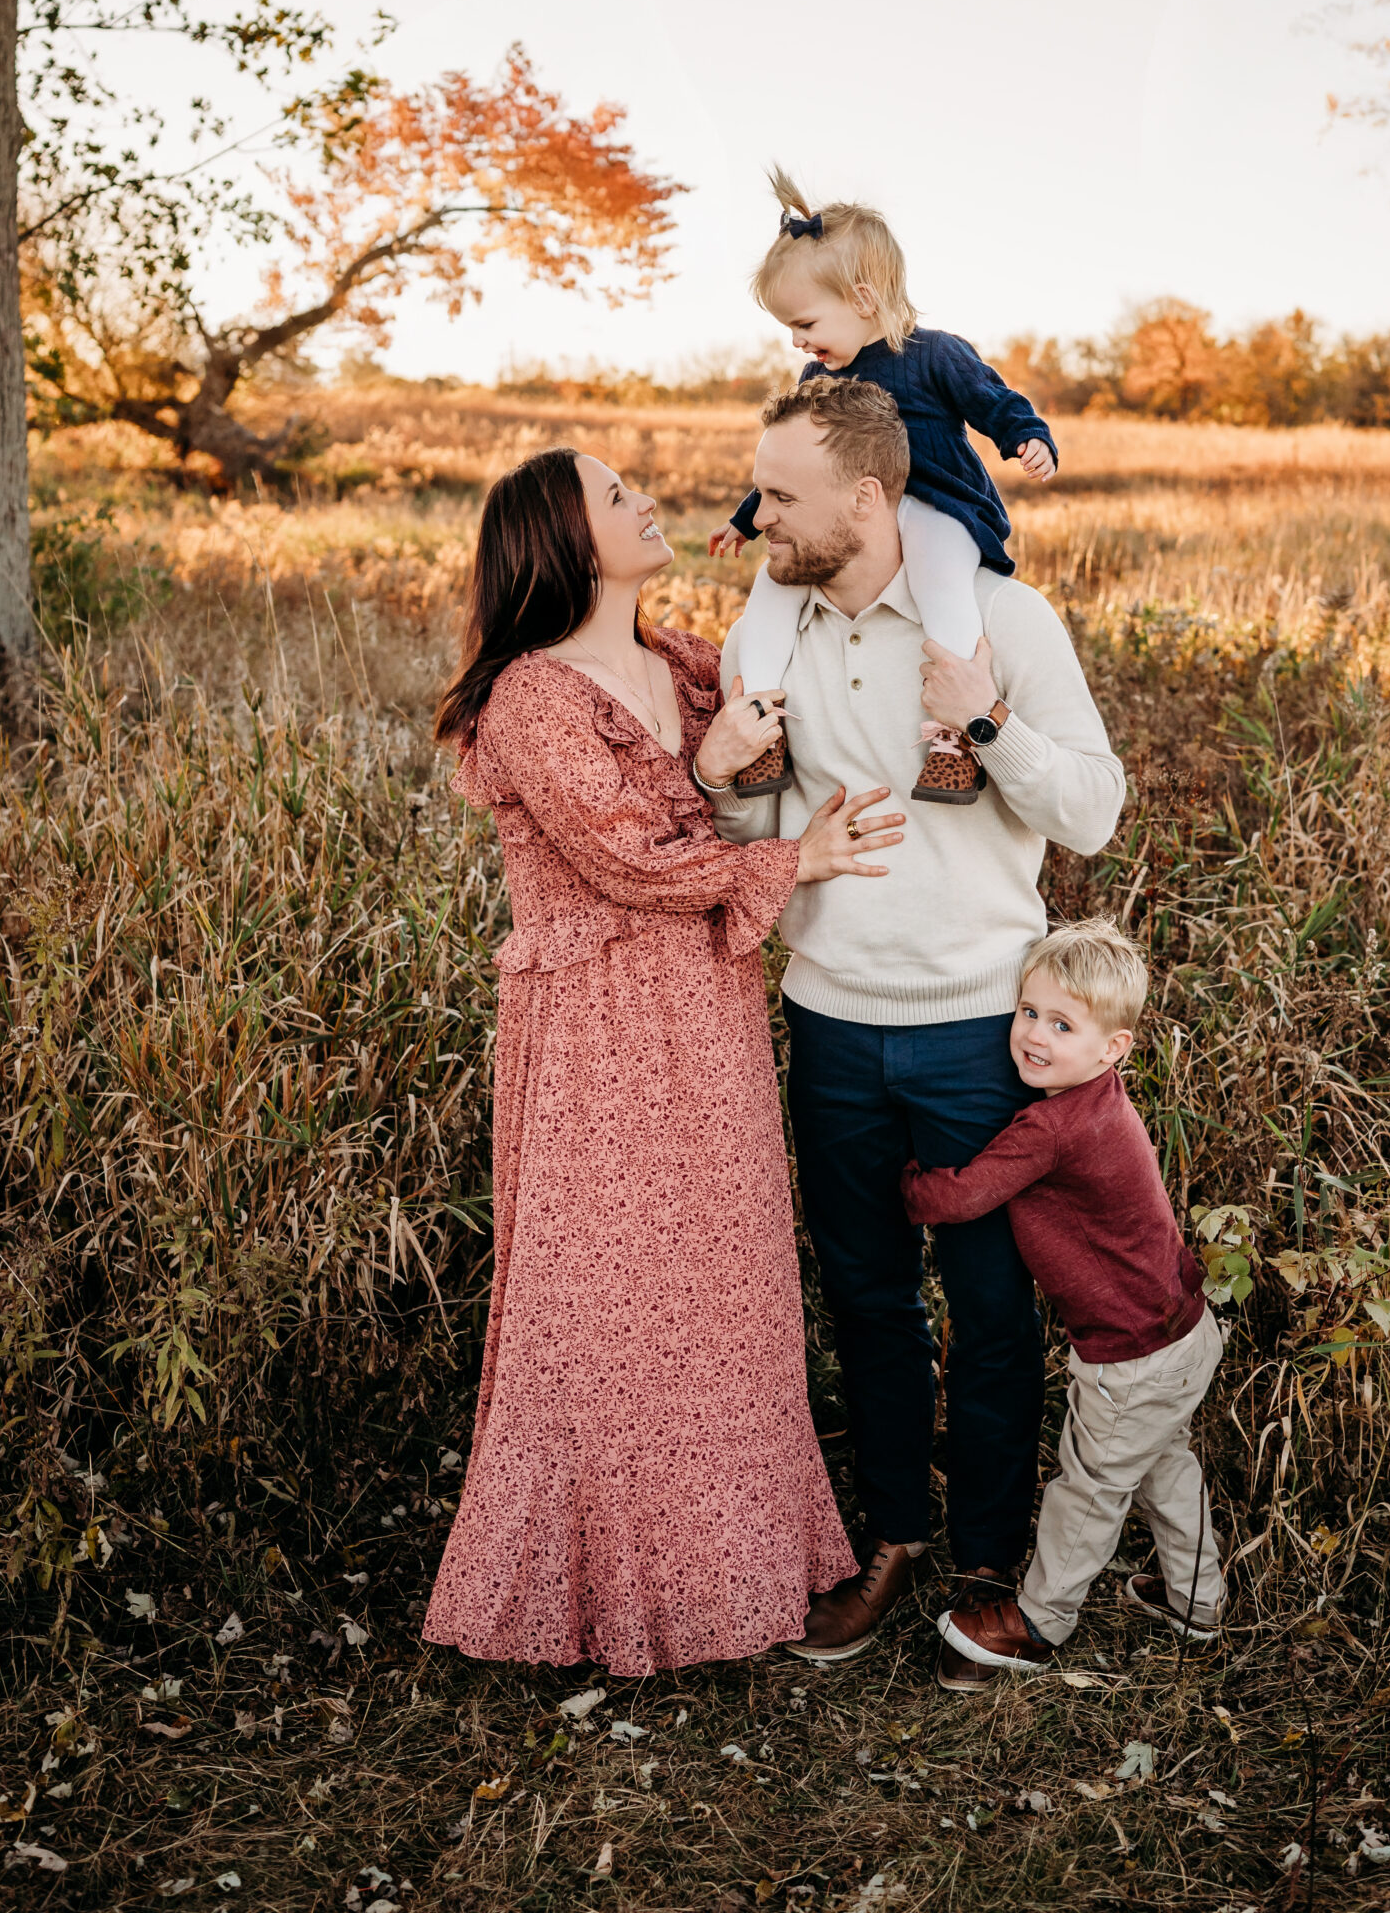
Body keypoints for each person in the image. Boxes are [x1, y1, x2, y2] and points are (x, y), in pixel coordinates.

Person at [421, 446, 906, 1677]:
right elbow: (626, 860)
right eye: (617, 495)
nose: (647, 502)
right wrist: (800, 857)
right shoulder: (535, 696)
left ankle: (737, 1567)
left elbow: (738, 786)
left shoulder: (686, 660)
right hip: (596, 1024)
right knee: (604, 1300)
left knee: (723, 1285)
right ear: (568, 541)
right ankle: (603, 1592)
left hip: (707, 1004)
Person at [693, 376, 1126, 1675]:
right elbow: (769, 845)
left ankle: (988, 1555)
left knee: (990, 1307)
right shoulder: (760, 647)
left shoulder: (1000, 617)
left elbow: (1093, 811)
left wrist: (983, 718)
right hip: (828, 1024)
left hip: (975, 1032)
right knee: (867, 1297)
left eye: (779, 492)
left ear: (869, 497)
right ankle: (887, 1533)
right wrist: (724, 793)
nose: (757, 513)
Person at [903, 921, 1223, 1688]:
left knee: (1088, 1487)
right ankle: (1197, 1602)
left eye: (1061, 1024)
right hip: (1181, 1330)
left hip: (1132, 1352)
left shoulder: (1052, 1127)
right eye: (1027, 1013)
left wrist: (905, 1180)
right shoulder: (1096, 1099)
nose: (1033, 1036)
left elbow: (963, 1196)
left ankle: (1036, 1623)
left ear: (1113, 1048)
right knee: (1162, 1469)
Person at [708, 169, 1059, 806]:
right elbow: (795, 466)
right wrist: (746, 515)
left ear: (864, 299)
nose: (797, 340)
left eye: (806, 322)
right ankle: (762, 727)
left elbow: (993, 401)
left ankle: (954, 738)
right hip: (850, 517)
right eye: (790, 328)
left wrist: (1027, 437)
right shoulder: (818, 375)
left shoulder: (934, 354)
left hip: (933, 502)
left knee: (941, 582)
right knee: (770, 591)